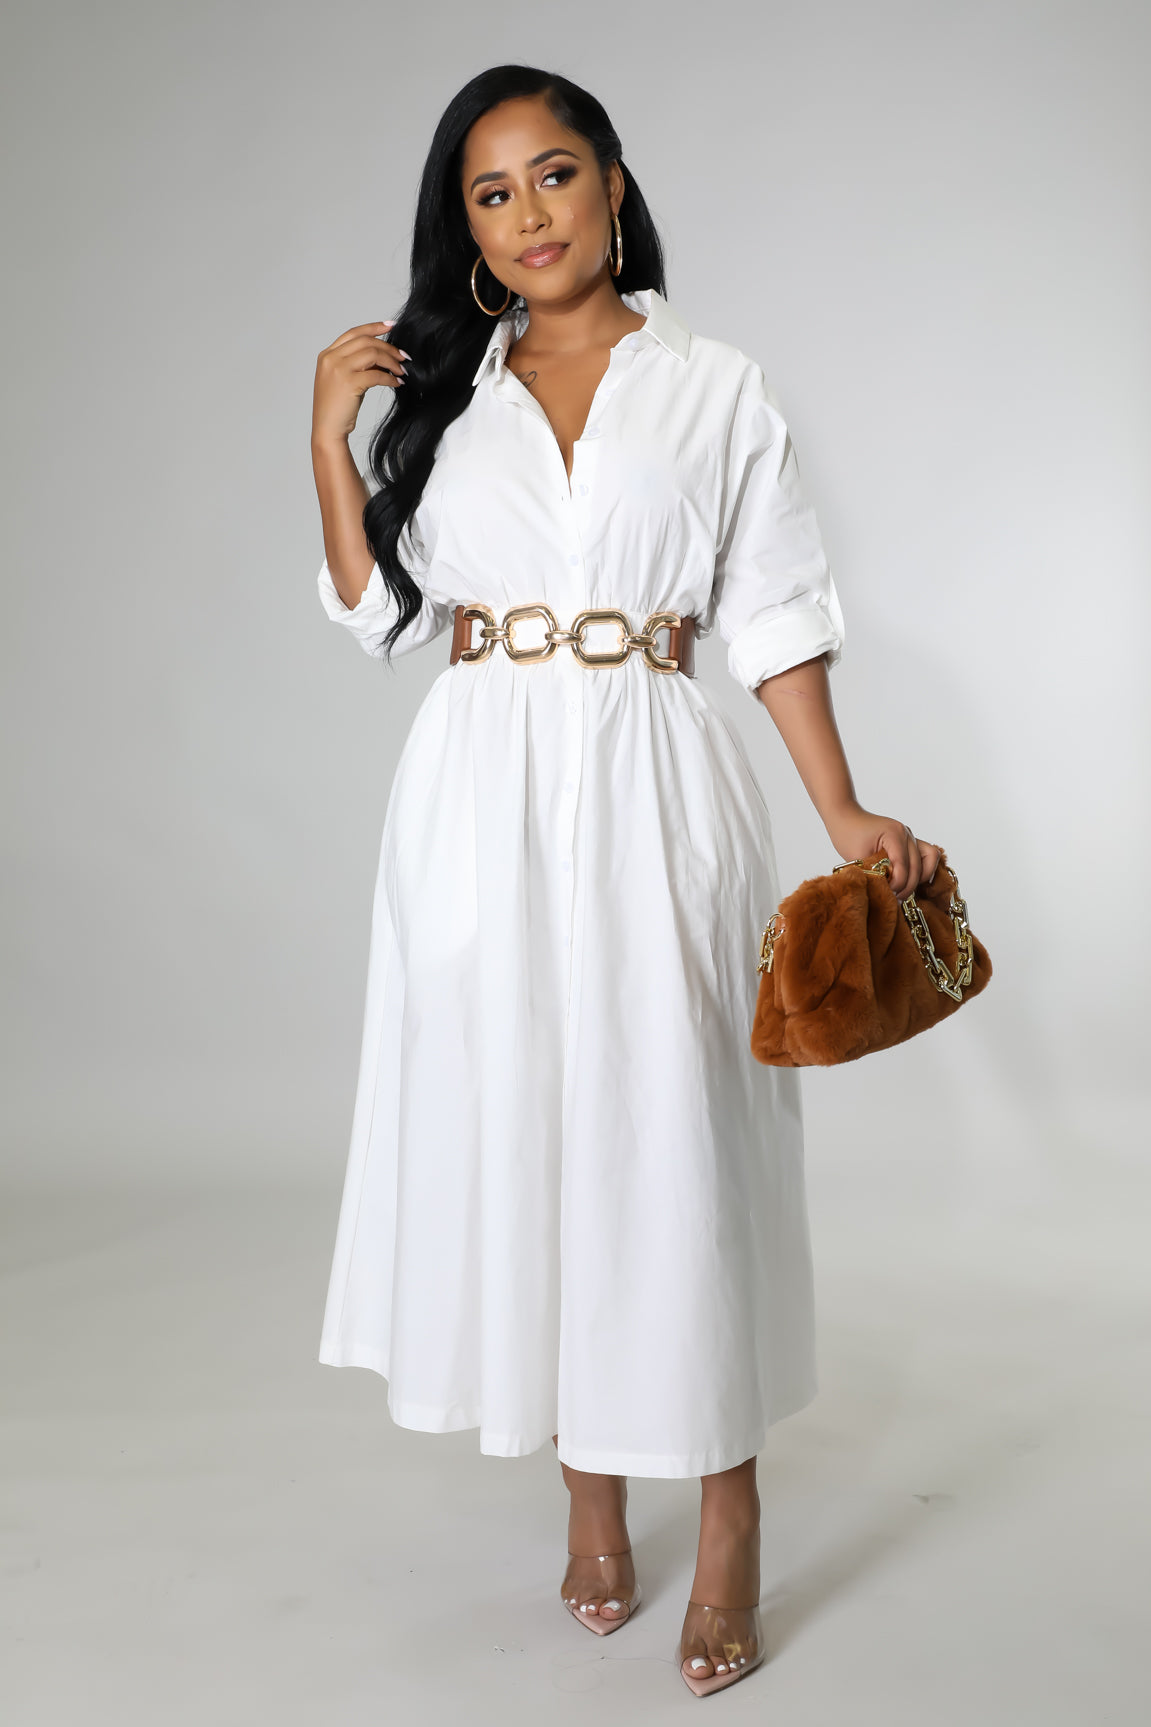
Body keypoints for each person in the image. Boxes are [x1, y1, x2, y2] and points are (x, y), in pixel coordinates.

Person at [309, 63, 939, 1699]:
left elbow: (775, 610)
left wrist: (841, 807)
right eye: (491, 193)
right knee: (528, 1128)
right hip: (478, 795)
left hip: (656, 774)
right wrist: (328, 439)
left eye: (554, 174)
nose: (529, 214)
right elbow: (379, 621)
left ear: (611, 183)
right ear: (465, 230)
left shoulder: (715, 387)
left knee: (676, 1135)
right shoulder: (449, 398)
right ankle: (590, 1496)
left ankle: (727, 1514)